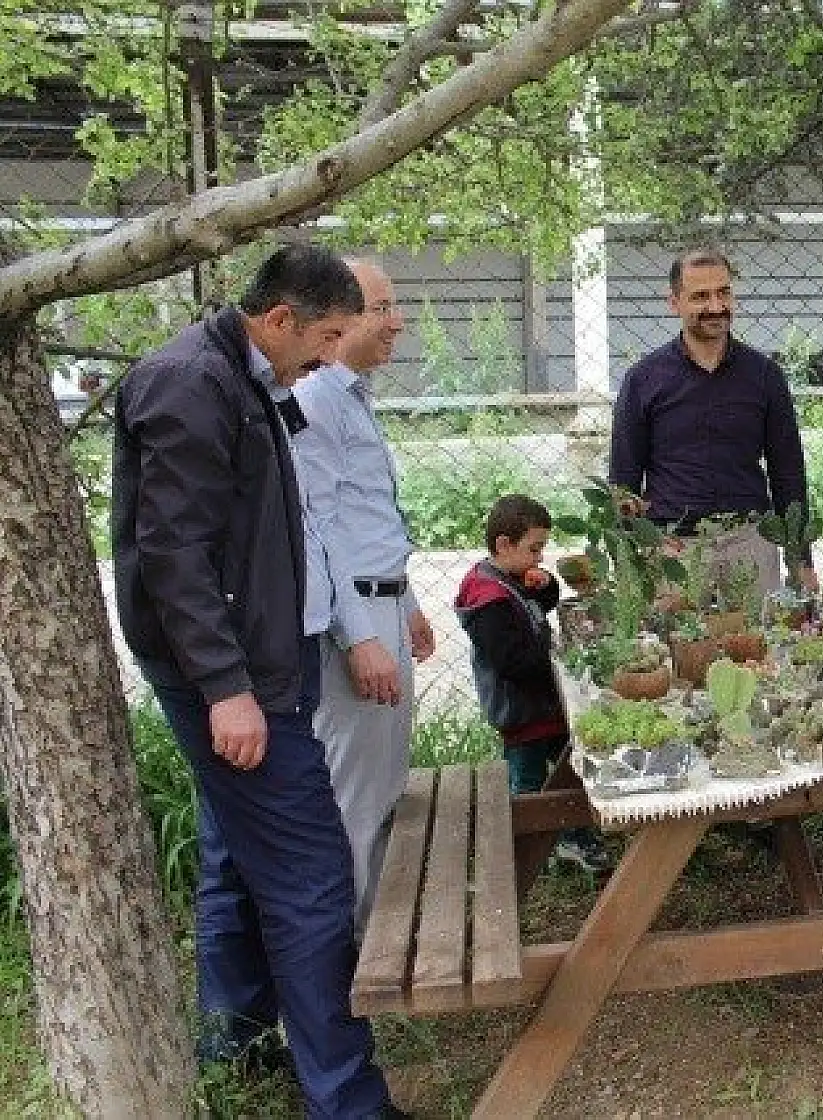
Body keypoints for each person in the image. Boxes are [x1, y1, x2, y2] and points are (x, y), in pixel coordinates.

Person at [112, 244, 404, 1116]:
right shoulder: (188, 385)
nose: (327, 358)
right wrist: (227, 689)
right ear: (279, 318)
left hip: (273, 659)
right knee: (313, 877)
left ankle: (236, 1039)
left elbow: (300, 526)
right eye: (323, 337)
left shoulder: (253, 380)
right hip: (236, 679)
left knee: (239, 858)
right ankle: (346, 1098)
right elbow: (173, 556)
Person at [290, 259, 436, 938]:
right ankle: (343, 962)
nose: (396, 321)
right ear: (339, 319)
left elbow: (364, 520)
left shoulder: (349, 397)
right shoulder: (317, 401)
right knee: (356, 802)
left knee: (383, 792)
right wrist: (361, 636)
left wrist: (404, 604)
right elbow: (316, 528)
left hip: (382, 607)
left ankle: (375, 949)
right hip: (357, 625)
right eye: (381, 309)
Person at [608, 247, 818, 601]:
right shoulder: (644, 379)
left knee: (762, 651)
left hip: (752, 544)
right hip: (675, 550)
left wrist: (801, 560)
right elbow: (624, 480)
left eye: (724, 292)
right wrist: (630, 562)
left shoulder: (764, 375)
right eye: (701, 296)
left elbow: (788, 473)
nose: (716, 306)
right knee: (676, 653)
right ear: (674, 302)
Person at [455, 494, 612, 872]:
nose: (539, 557)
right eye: (535, 548)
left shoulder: (509, 577)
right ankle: (522, 853)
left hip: (543, 704)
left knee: (567, 770)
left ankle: (571, 838)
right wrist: (558, 660)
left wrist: (544, 586)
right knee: (526, 784)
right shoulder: (487, 598)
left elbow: (542, 603)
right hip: (522, 711)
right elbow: (511, 662)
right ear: (504, 545)